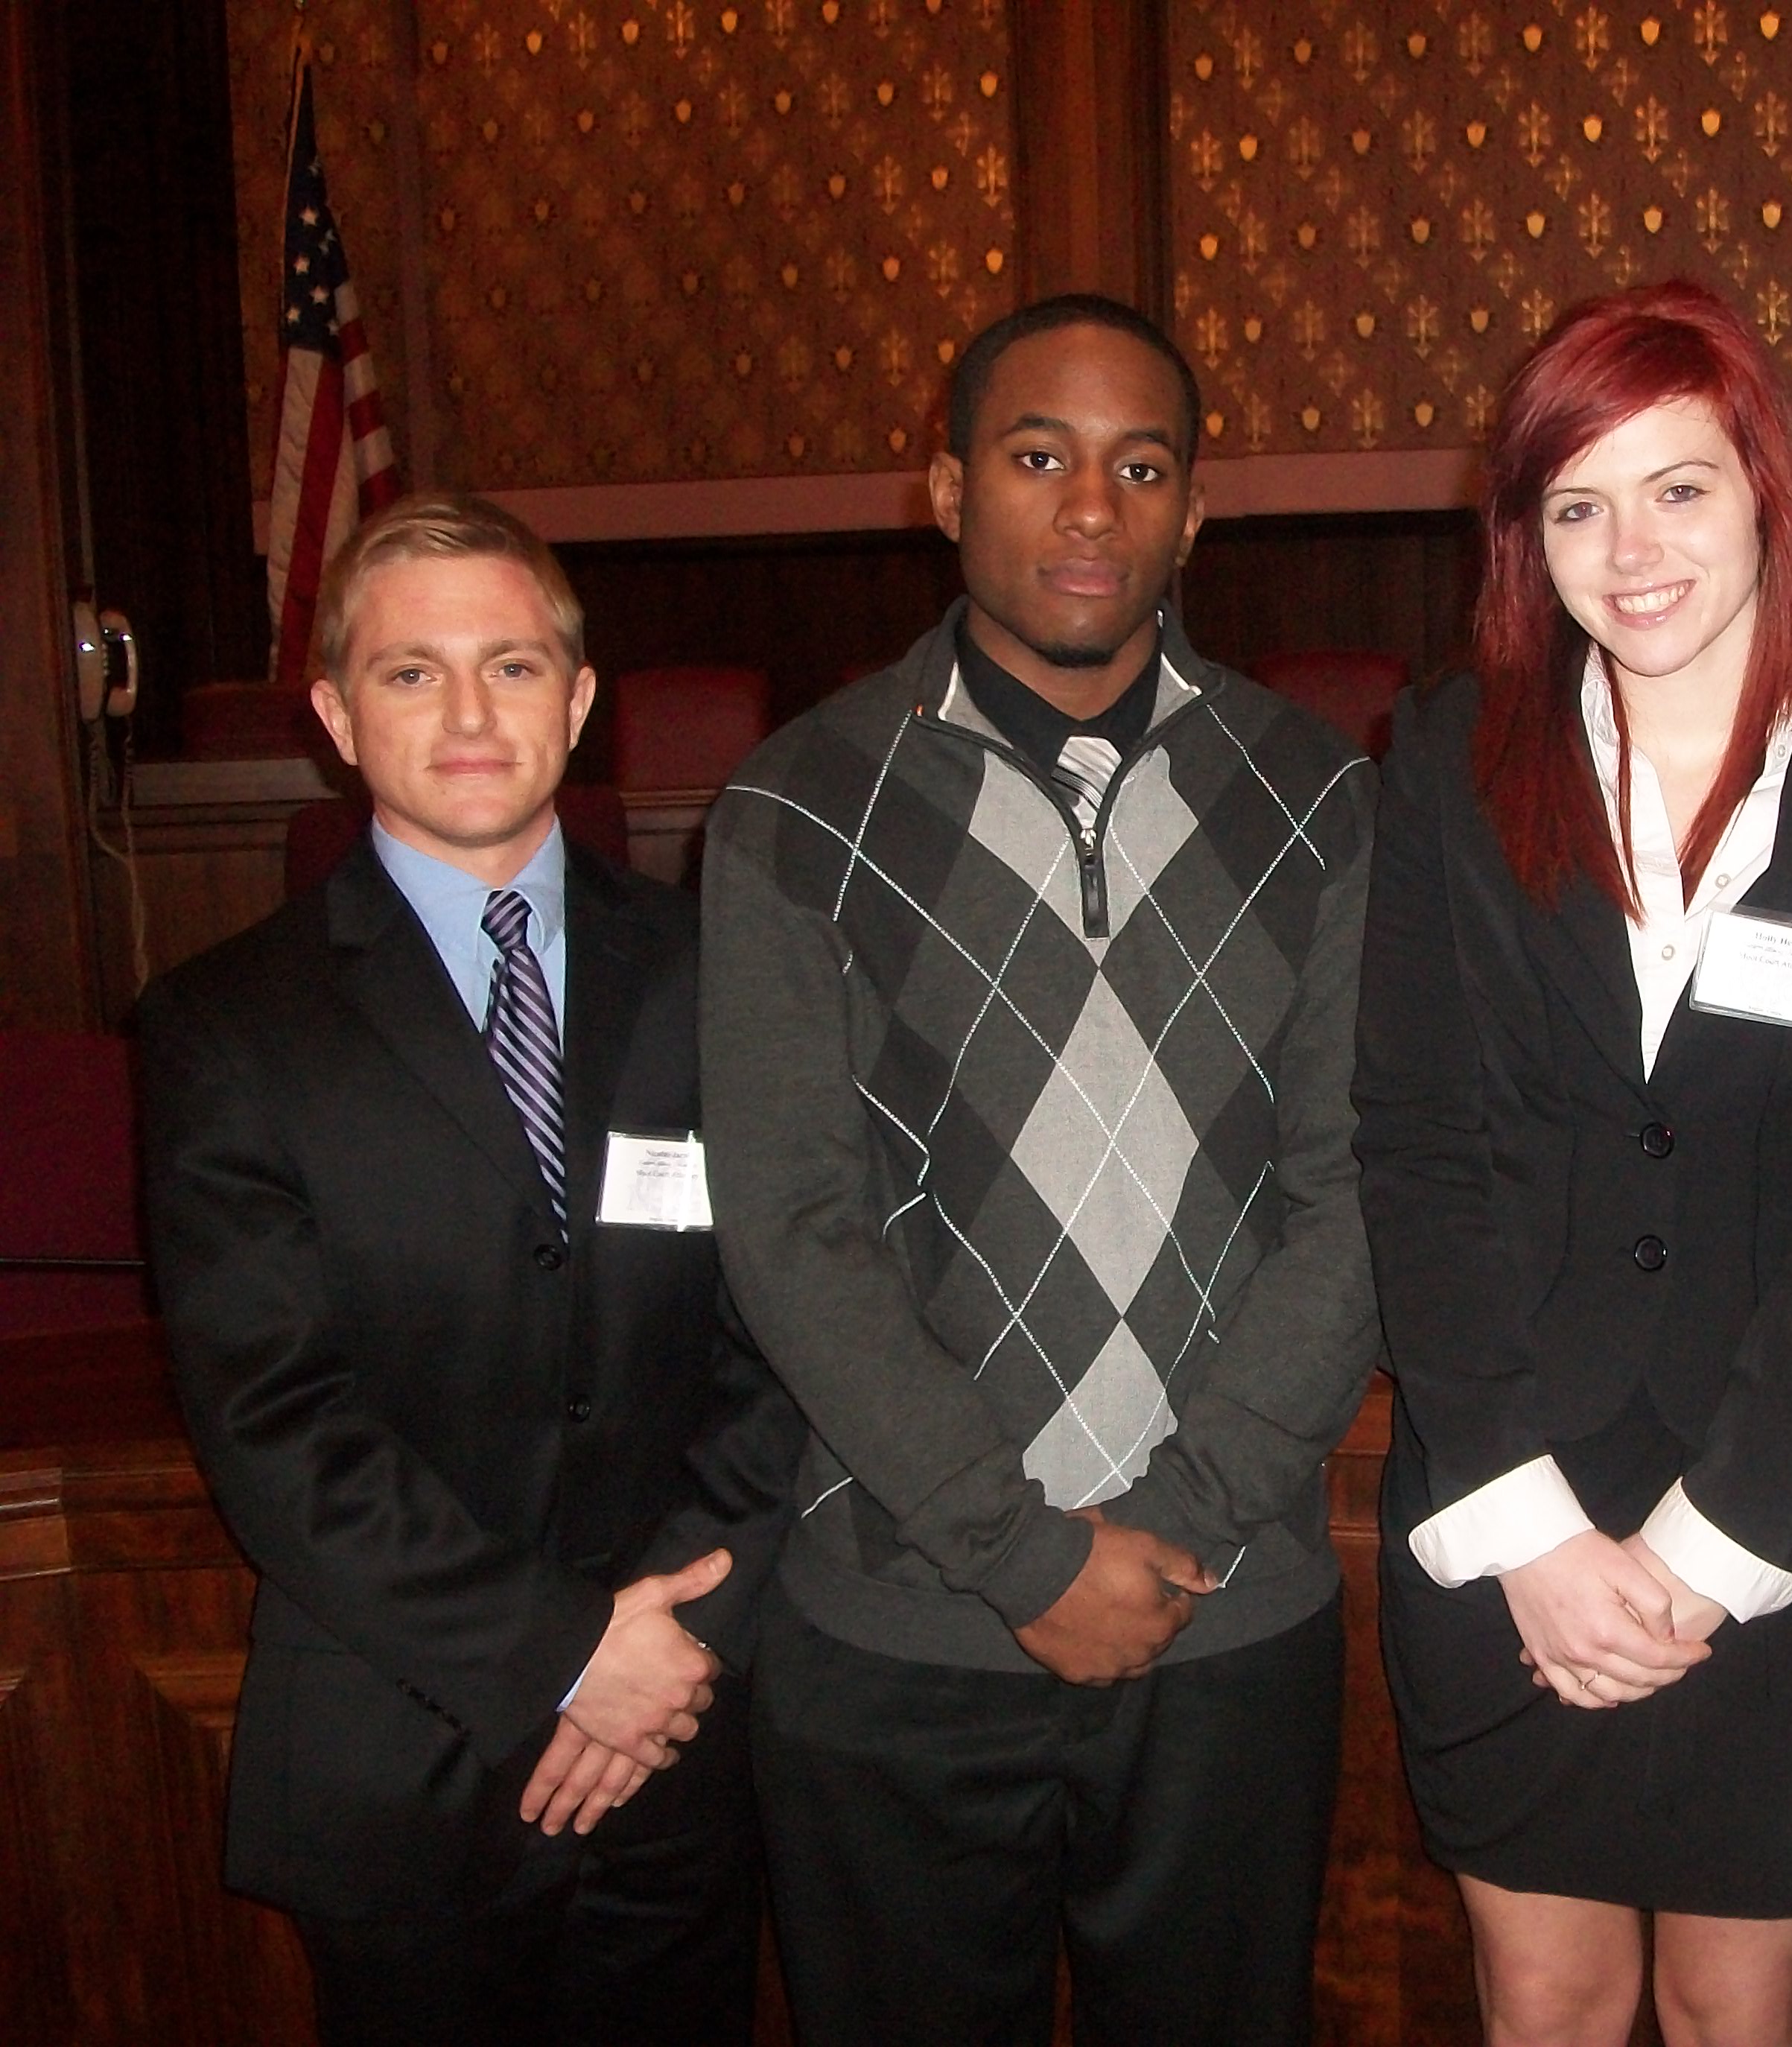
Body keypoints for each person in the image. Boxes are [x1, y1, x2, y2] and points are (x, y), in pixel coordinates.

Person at [698, 293, 1382, 2047]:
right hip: (899, 1633)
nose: (1091, 506)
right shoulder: (792, 809)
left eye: (1139, 465)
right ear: (944, 488)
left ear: (1193, 513)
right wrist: (1017, 1554)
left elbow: (1357, 1194)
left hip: (1224, 1621)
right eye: (1037, 455)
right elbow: (790, 1229)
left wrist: (1172, 1519)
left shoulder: (1321, 798)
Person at [1352, 279, 1792, 2046]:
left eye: (1676, 489)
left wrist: (1711, 1550)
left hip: (1772, 1505)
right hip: (1507, 1504)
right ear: (1524, 536)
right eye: (1575, 503)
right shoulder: (1443, 753)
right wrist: (1528, 1533)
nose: (1626, 549)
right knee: (1543, 2000)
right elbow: (1416, 1143)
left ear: (1762, 496)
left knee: (1742, 2004)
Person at [139, 492, 805, 2047]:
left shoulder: (724, 976)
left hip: (683, 1753)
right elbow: (277, 1422)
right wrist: (567, 1658)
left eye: (510, 667)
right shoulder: (227, 1027)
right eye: (409, 672)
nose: (464, 713)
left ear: (575, 702)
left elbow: (789, 1339)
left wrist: (668, 1653)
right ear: (333, 713)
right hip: (405, 1755)